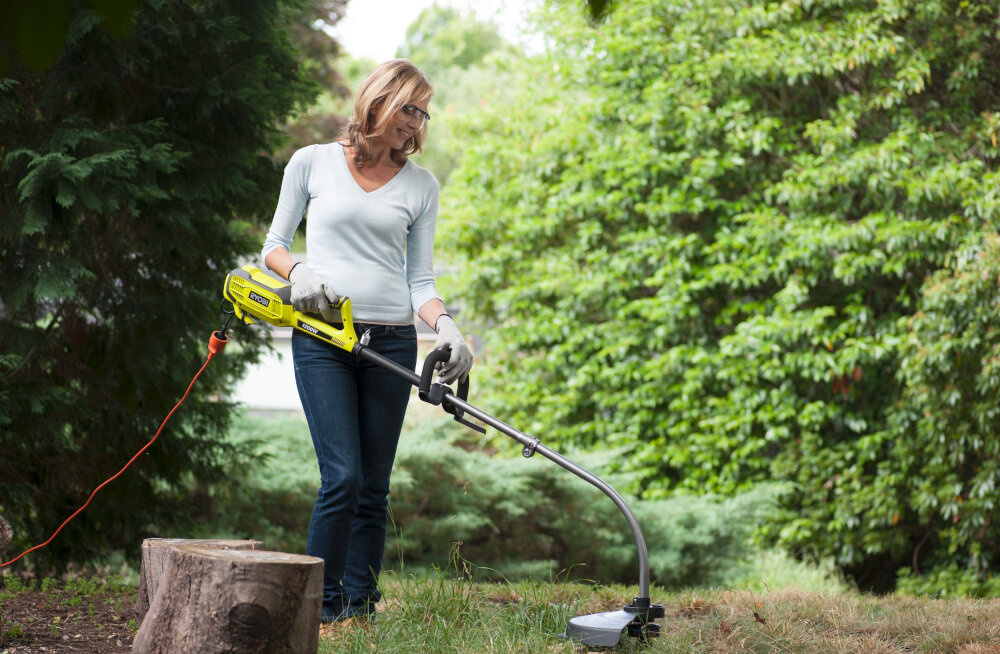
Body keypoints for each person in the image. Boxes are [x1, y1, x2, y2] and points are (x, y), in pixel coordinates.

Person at [260, 59, 474, 626]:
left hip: (394, 342)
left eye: (423, 113)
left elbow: (419, 280)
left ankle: (359, 606)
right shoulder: (313, 163)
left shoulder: (421, 186)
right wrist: (298, 272)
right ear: (379, 100)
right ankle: (318, 607)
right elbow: (274, 244)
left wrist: (445, 324)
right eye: (410, 108)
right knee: (343, 477)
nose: (416, 123)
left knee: (374, 487)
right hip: (324, 337)